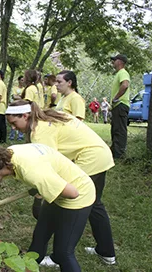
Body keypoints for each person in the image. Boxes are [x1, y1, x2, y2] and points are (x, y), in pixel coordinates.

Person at [6, 100, 117, 265]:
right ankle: (106, 252)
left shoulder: (40, 131)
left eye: (14, 123)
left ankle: (60, 255)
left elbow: (47, 167)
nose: (13, 128)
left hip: (90, 158)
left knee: (65, 201)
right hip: (100, 154)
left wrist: (40, 195)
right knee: (94, 204)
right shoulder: (44, 117)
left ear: (25, 115)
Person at [0, 143, 95, 271]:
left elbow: (72, 193)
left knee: (64, 253)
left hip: (79, 195)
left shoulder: (32, 172)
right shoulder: (6, 156)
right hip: (56, 188)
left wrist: (43, 191)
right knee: (38, 242)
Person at [110, 54, 130, 159]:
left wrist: (116, 98)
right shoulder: (119, 74)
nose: (113, 62)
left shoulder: (123, 72)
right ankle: (115, 152)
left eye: (115, 60)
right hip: (117, 106)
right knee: (115, 129)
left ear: (120, 62)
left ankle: (119, 154)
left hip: (121, 105)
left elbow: (125, 85)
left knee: (120, 130)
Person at [9, 76, 24, 141]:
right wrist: (21, 97)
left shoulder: (25, 89)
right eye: (21, 80)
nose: (22, 81)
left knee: (21, 121)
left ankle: (20, 137)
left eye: (23, 80)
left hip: (22, 107)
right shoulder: (14, 88)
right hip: (15, 107)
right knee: (13, 121)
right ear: (18, 81)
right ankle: (12, 136)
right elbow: (14, 96)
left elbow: (25, 98)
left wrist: (19, 97)